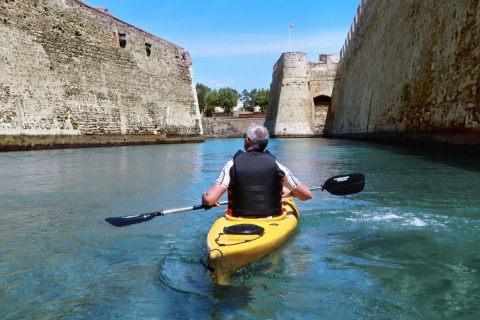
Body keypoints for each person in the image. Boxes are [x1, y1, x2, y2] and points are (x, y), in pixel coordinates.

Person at [202, 124, 312, 217]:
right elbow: (307, 195)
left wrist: (204, 196)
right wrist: (291, 192)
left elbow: (210, 200)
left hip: (237, 220)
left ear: (247, 140)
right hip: (273, 219)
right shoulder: (277, 165)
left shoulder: (231, 165)